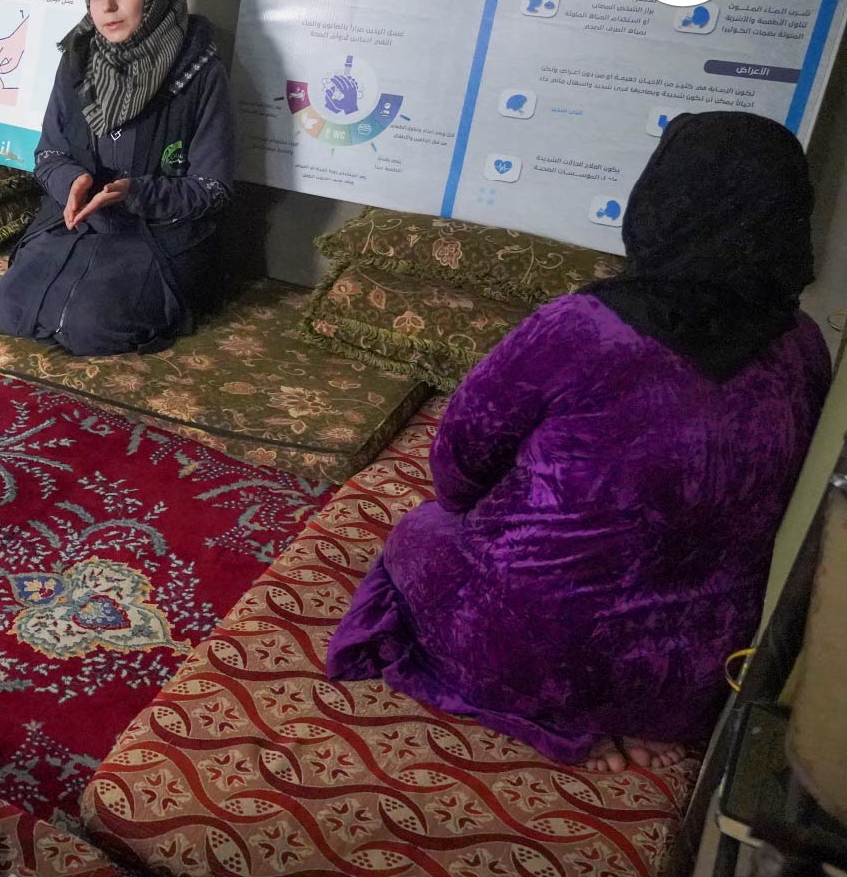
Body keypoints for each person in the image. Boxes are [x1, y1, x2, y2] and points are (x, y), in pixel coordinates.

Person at [327, 111, 832, 773]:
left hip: (531, 647)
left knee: (422, 530)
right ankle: (614, 708)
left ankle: (547, 710)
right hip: (690, 675)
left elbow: (455, 472)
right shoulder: (806, 348)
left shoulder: (582, 330)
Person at [0, 0, 234, 356]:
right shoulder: (79, 57)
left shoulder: (199, 72)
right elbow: (49, 152)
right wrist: (73, 182)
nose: (107, 7)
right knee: (10, 310)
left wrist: (135, 193)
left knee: (92, 326)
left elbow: (213, 187)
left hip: (156, 231)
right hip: (76, 221)